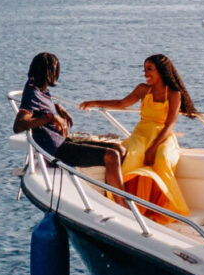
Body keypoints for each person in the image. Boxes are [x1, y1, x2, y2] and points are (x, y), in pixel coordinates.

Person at [81, 53, 196, 216]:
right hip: (141, 134)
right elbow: (121, 103)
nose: (145, 73)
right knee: (132, 157)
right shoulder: (143, 89)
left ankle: (162, 207)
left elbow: (170, 123)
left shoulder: (173, 93)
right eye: (144, 69)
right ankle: (125, 204)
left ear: (161, 71)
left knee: (162, 159)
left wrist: (153, 148)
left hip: (162, 136)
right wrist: (93, 102)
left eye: (149, 69)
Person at [15, 53, 123, 190]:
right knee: (112, 156)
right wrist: (51, 117)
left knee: (118, 148)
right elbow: (19, 125)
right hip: (57, 151)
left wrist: (57, 107)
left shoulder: (41, 90)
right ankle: (124, 205)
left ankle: (113, 194)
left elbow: (41, 107)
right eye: (55, 70)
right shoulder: (33, 93)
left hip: (63, 141)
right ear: (48, 71)